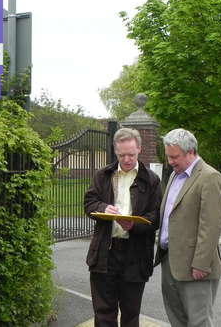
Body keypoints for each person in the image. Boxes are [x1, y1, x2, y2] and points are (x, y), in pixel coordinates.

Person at [84, 128, 162, 327]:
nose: (126, 159)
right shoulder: (103, 175)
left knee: (131, 315)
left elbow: (156, 217)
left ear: (139, 150)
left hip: (135, 255)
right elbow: (89, 203)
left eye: (131, 154)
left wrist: (133, 225)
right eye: (121, 155)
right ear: (115, 151)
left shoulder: (151, 180)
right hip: (105, 253)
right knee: (103, 314)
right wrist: (102, 208)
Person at [154, 128, 221, 327]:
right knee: (177, 321)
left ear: (191, 152)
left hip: (196, 266)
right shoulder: (174, 176)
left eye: (175, 156)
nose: (170, 161)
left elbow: (211, 225)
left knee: (199, 323)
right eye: (168, 156)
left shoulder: (210, 177)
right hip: (170, 261)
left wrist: (201, 264)